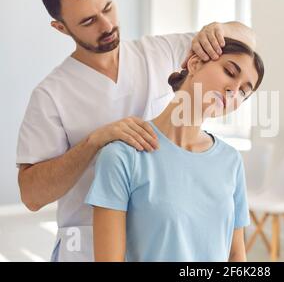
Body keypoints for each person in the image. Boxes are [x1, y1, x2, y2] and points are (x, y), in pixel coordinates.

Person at [16, 0, 256, 262]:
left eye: (108, 7)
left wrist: (217, 30)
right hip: (88, 248)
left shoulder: (160, 52)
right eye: (89, 21)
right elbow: (31, 196)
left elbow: (246, 45)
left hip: (160, 240)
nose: (106, 25)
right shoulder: (51, 95)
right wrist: (94, 142)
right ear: (61, 27)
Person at [85, 38, 264, 262]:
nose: (233, 90)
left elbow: (236, 255)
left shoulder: (231, 160)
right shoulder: (123, 156)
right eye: (229, 71)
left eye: (243, 93)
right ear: (195, 63)